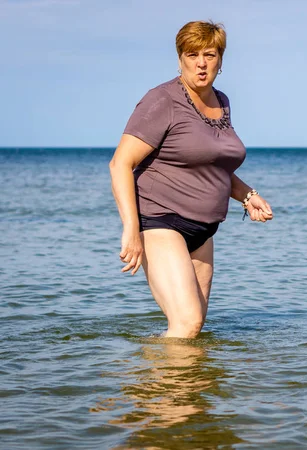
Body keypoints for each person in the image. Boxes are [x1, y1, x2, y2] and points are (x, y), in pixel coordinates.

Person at [109, 21, 273, 339]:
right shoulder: (162, 101)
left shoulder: (221, 102)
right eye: (192, 54)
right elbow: (120, 163)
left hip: (203, 231)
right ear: (180, 58)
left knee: (191, 331)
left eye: (209, 54)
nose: (201, 63)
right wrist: (131, 230)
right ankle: (142, 388)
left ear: (220, 60)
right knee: (187, 323)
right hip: (160, 222)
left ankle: (163, 386)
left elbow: (212, 164)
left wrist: (247, 195)